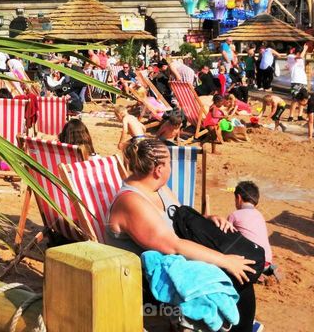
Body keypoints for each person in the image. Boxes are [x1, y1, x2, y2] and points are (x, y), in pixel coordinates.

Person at [106, 138, 260, 332]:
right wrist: (225, 260)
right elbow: (173, 245)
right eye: (169, 162)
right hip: (149, 281)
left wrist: (208, 219)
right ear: (159, 170)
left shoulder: (158, 188)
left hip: (174, 260)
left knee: (240, 278)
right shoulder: (131, 202)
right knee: (231, 279)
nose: (171, 167)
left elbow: (181, 219)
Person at [227, 181, 276, 277]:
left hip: (252, 264)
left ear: (239, 198)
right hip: (267, 260)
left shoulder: (235, 215)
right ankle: (264, 270)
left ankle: (255, 273)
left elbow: (227, 237)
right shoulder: (259, 215)